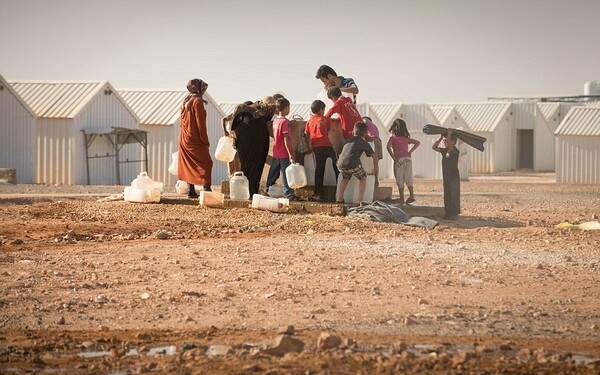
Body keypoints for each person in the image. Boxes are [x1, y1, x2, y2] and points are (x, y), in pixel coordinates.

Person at [229, 101, 273, 197]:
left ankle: (247, 193)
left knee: (246, 169)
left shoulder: (241, 113)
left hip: (245, 145)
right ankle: (253, 192)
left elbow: (233, 131)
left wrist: (235, 142)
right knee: (257, 169)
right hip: (260, 145)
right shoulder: (259, 114)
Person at [178, 78, 213, 198]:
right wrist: (205, 140)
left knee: (189, 164)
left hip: (184, 138)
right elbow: (200, 124)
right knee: (207, 163)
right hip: (195, 139)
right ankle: (207, 189)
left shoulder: (186, 100)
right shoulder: (197, 101)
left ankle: (191, 191)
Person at [303, 100, 339, 201]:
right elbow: (327, 131)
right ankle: (340, 193)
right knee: (336, 168)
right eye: (323, 109)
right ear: (321, 110)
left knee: (319, 170)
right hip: (328, 146)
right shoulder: (326, 119)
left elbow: (306, 135)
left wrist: (308, 147)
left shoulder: (309, 122)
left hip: (317, 147)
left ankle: (317, 194)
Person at [266, 97, 300, 201]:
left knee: (273, 171)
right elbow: (286, 139)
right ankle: (289, 193)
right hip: (284, 152)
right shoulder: (285, 122)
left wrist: (289, 124)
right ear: (286, 108)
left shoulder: (276, 120)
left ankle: (268, 188)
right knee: (285, 173)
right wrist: (290, 153)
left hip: (276, 151)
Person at [336, 121, 378, 204]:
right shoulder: (364, 143)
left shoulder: (347, 140)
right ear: (366, 133)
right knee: (363, 178)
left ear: (353, 132)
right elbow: (374, 156)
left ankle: (339, 198)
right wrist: (375, 169)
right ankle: (360, 200)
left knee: (346, 178)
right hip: (353, 164)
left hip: (340, 164)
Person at [387, 118, 420, 205]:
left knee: (400, 178)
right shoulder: (406, 138)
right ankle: (411, 195)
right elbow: (418, 142)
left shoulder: (393, 138)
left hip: (399, 160)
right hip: (408, 159)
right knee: (408, 177)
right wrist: (410, 152)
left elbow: (388, 146)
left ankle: (401, 198)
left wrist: (393, 157)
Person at [325, 86, 363, 155]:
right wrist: (338, 119)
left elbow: (330, 112)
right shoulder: (348, 99)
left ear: (333, 97)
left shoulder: (339, 103)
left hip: (350, 131)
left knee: (350, 151)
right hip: (360, 128)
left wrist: (323, 119)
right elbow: (348, 114)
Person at [432, 128, 460, 219]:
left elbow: (450, 147)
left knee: (453, 195)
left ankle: (453, 213)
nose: (445, 143)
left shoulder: (455, 151)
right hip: (446, 176)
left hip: (454, 177)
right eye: (444, 141)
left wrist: (448, 134)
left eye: (446, 141)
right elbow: (434, 147)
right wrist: (440, 138)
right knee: (447, 194)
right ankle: (448, 213)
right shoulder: (444, 151)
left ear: (453, 141)